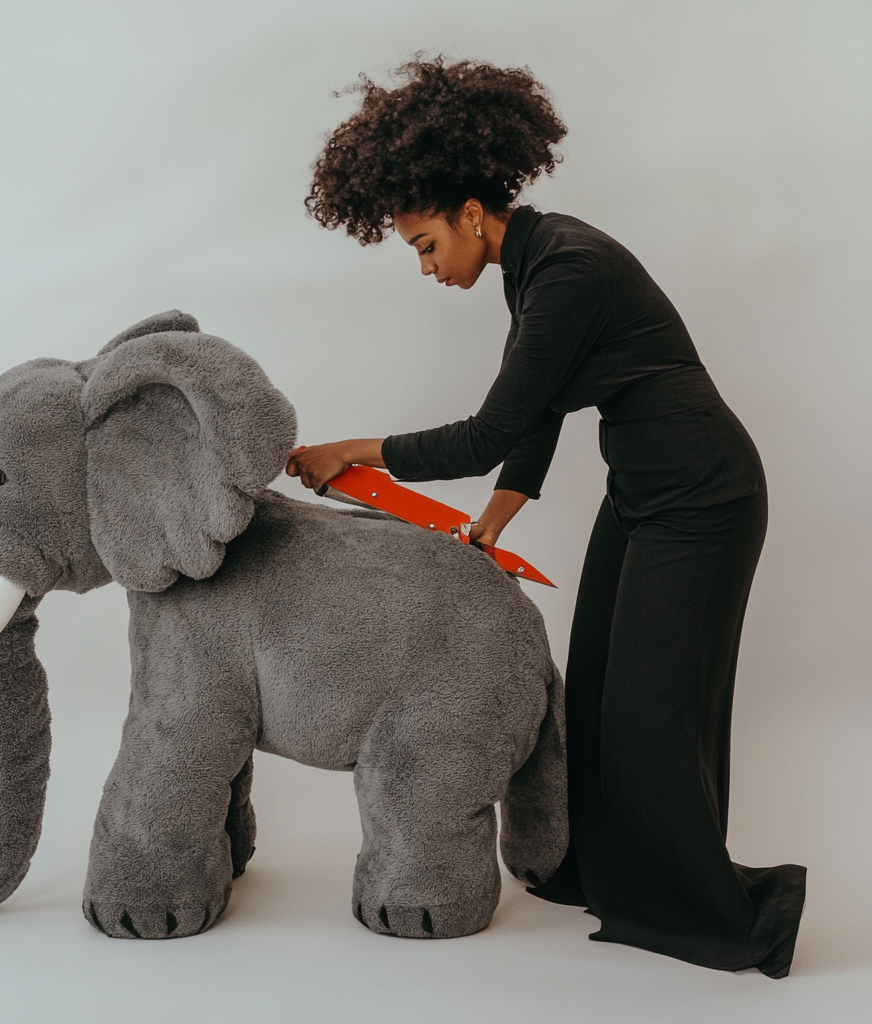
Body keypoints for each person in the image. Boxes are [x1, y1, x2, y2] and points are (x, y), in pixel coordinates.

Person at [286, 55, 806, 978]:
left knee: (652, 713)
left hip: (704, 496)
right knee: (599, 696)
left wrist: (352, 452)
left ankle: (714, 915)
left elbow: (488, 429)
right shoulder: (531, 269)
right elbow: (537, 420)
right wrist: (493, 522)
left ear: (472, 216)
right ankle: (611, 875)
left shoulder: (566, 266)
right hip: (643, 494)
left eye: (423, 245)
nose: (427, 266)